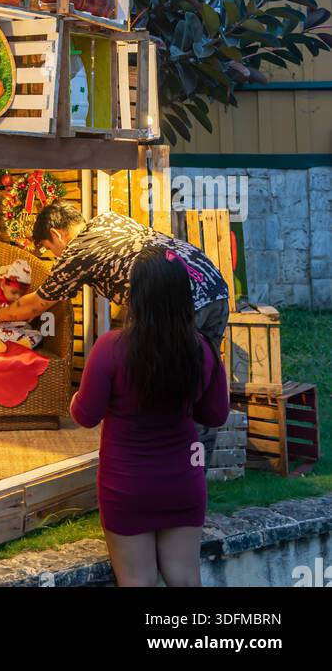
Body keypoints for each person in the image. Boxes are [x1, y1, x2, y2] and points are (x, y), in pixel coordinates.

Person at [0, 201, 231, 463]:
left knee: (158, 386)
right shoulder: (110, 220)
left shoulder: (78, 252)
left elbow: (35, 305)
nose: (54, 256)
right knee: (199, 380)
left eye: (49, 248)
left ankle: (160, 464)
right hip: (213, 286)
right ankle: (196, 468)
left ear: (57, 234)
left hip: (174, 299)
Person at [69, 246, 230, 586]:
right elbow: (215, 414)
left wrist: (73, 397)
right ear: (184, 295)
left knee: (137, 582)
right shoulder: (201, 348)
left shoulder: (110, 348)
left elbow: (86, 414)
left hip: (126, 484)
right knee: (186, 580)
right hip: (183, 480)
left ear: (135, 295)